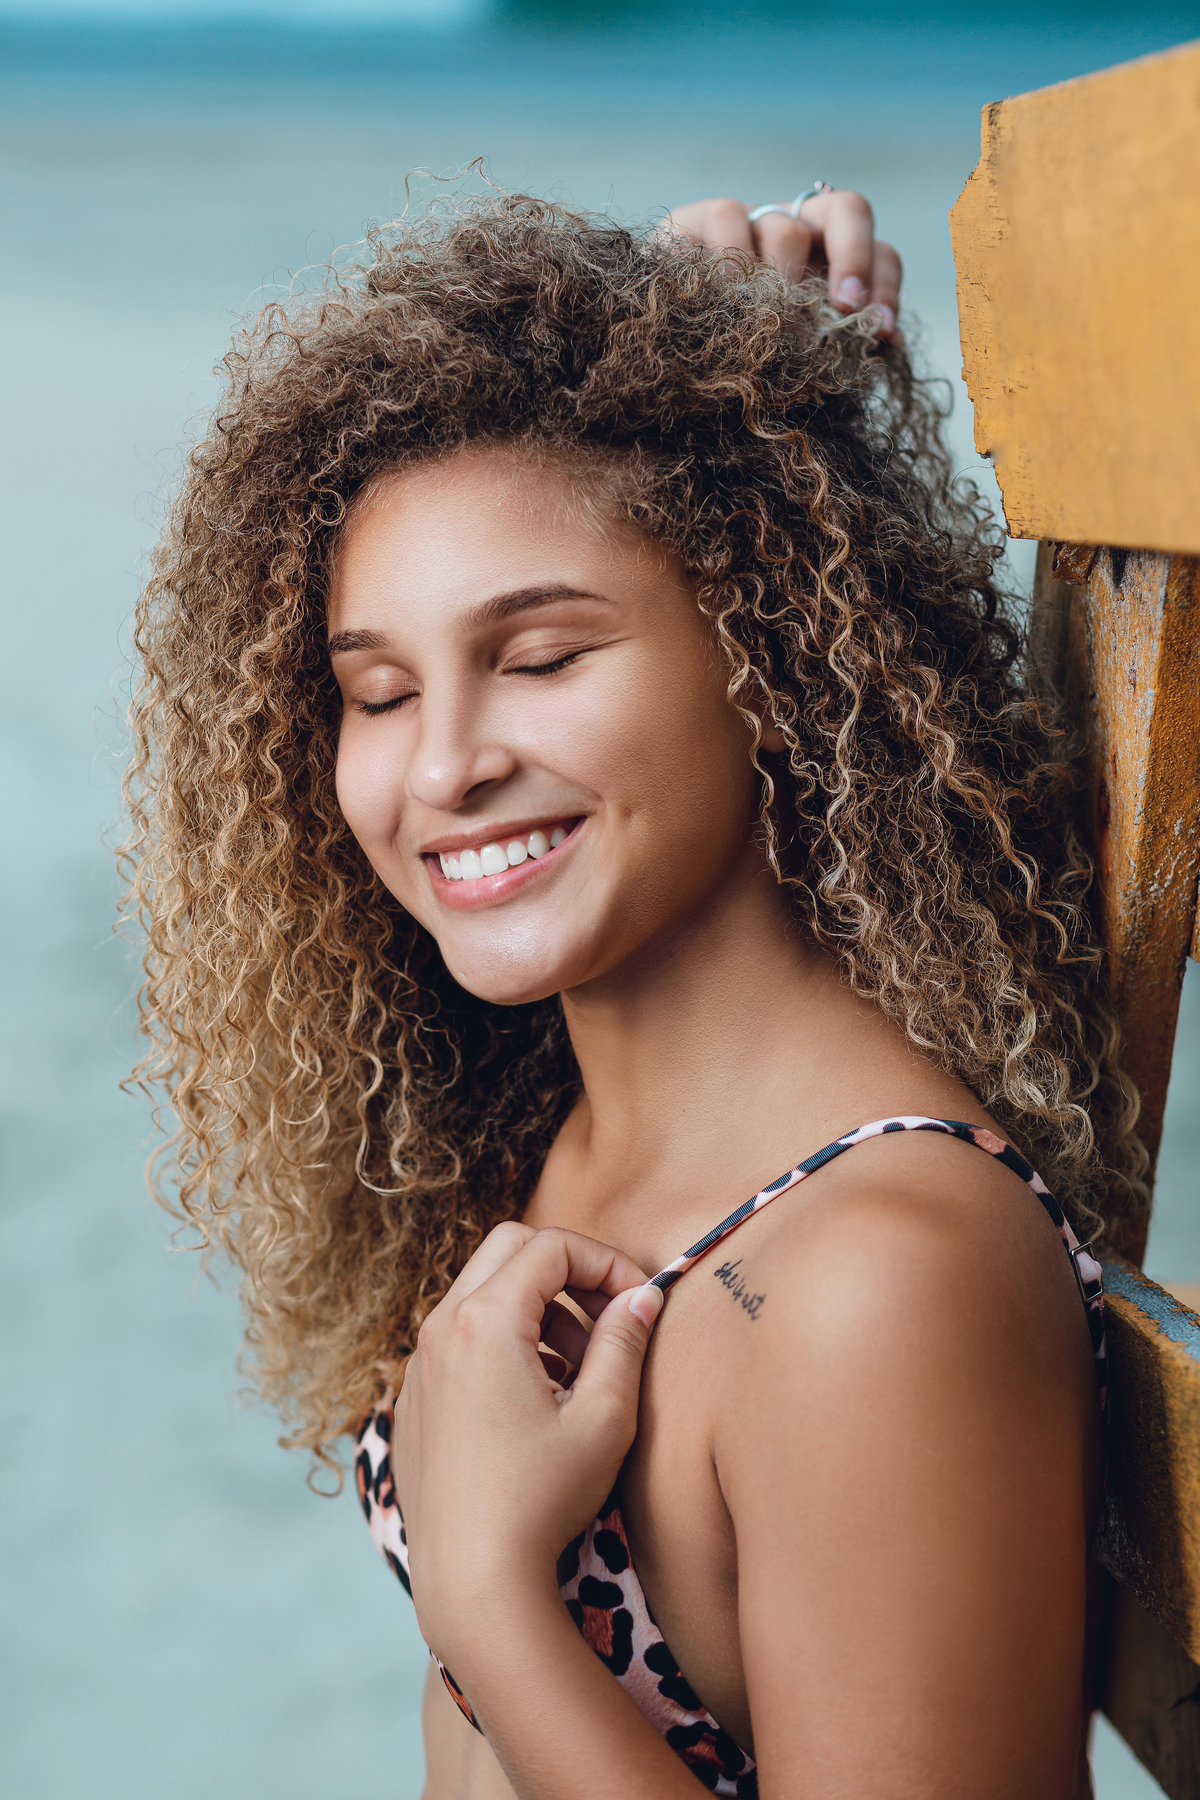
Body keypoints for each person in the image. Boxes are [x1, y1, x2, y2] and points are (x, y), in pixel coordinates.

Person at [124, 183, 1139, 1799]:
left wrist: (486, 1599)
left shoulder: (882, 1283)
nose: (444, 764)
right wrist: (716, 364)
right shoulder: (567, 1135)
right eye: (375, 691)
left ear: (774, 652)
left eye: (541, 659)